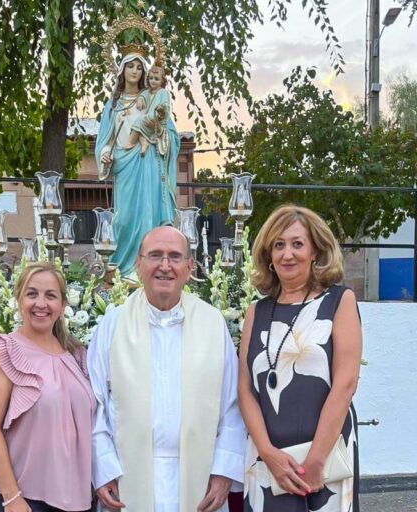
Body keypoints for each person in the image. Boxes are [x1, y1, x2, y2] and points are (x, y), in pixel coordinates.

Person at [88, 226, 246, 512]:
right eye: (155, 255)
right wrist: (104, 468)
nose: (165, 266)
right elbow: (95, 404)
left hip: (200, 479)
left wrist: (223, 471)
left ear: (189, 267)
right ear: (138, 264)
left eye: (174, 256)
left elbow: (232, 405)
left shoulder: (212, 323)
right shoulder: (113, 324)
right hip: (126, 477)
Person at [238, 205, 362, 512]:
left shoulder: (339, 301)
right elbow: (245, 390)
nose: (287, 254)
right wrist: (267, 453)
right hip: (266, 462)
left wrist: (316, 460)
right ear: (268, 255)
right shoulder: (256, 312)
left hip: (326, 459)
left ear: (315, 251)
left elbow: (345, 383)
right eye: (279, 245)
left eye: (297, 244)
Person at [0, 262, 96, 512]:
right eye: (32, 294)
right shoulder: (4, 351)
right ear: (19, 300)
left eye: (50, 295)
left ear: (63, 305)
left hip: (73, 498)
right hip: (19, 498)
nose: (41, 303)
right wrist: (12, 498)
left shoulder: (76, 355)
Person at [95, 50, 179, 276]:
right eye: (130, 66)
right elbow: (106, 140)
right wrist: (106, 154)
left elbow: (170, 134)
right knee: (123, 220)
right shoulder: (113, 104)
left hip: (148, 163)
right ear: (122, 69)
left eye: (139, 67)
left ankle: (146, 270)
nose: (135, 71)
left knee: (149, 217)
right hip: (124, 165)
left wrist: (159, 129)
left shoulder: (152, 96)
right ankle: (121, 271)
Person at [128, 63, 170, 156]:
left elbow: (166, 106)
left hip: (156, 118)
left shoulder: (163, 92)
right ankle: (144, 143)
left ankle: (130, 142)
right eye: (151, 78)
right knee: (139, 126)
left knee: (139, 121)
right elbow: (142, 96)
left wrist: (161, 109)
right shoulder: (147, 92)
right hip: (148, 118)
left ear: (162, 81)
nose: (153, 81)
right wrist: (140, 99)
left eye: (156, 79)